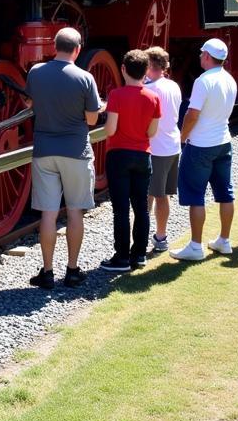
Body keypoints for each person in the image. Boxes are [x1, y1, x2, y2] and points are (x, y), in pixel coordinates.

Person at [23, 26, 104, 290]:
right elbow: (92, 119)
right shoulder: (85, 78)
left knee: (48, 213)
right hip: (76, 151)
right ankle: (72, 270)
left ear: (53, 47)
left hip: (44, 150)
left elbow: (31, 105)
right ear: (78, 49)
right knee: (74, 212)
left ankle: (46, 272)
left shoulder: (35, 73)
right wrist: (98, 106)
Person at [170, 38, 238, 261]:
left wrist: (182, 136)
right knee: (225, 192)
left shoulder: (203, 81)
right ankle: (224, 240)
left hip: (201, 144)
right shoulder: (229, 79)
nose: (200, 57)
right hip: (223, 141)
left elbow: (192, 114)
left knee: (196, 196)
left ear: (208, 56)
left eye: (202, 54)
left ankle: (195, 246)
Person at [100, 49, 161, 272]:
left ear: (123, 69)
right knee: (141, 207)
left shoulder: (116, 95)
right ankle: (139, 255)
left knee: (121, 209)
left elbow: (111, 129)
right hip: (143, 155)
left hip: (118, 155)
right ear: (146, 71)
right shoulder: (153, 97)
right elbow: (152, 132)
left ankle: (121, 257)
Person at [144, 46, 183, 253]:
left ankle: (150, 237)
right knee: (162, 195)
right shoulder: (173, 86)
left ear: (150, 65)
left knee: (151, 195)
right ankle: (160, 235)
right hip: (172, 145)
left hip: (156, 147)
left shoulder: (150, 90)